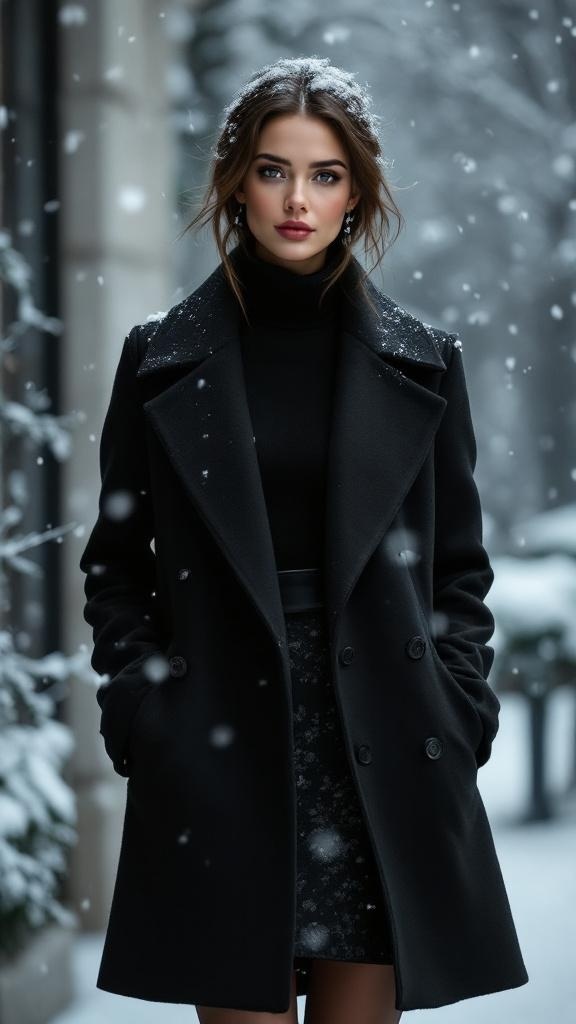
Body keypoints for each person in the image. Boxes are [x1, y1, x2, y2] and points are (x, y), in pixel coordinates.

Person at [79, 56, 528, 1024]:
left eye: (325, 175)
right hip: (219, 741)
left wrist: (458, 714)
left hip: (383, 742)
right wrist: (146, 714)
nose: (298, 198)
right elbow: (117, 562)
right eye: (274, 169)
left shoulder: (425, 359)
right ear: (237, 181)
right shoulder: (158, 357)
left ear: (358, 192)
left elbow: (459, 569)